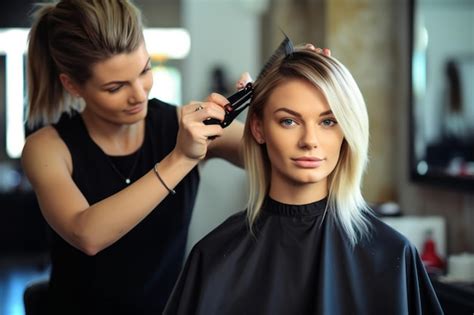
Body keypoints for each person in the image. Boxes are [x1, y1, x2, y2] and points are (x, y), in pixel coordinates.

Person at [163, 41, 444, 314]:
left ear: (347, 130)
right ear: (258, 128)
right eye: (289, 121)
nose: (310, 141)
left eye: (328, 121)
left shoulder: (393, 256)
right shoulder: (213, 257)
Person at [21, 0, 249, 314]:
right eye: (115, 87)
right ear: (72, 85)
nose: (139, 95)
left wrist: (299, 86)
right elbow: (87, 233)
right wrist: (181, 158)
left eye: (145, 70)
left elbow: (272, 155)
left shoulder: (184, 124)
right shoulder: (47, 148)